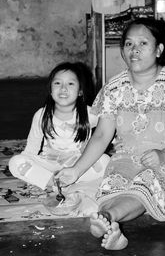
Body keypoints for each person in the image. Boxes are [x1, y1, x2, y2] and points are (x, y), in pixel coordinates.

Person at [54, 18, 165, 250]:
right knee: (113, 185)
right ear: (122, 50)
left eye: (143, 43)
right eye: (129, 44)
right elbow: (102, 135)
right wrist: (76, 170)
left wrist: (164, 154)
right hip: (128, 156)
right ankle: (109, 224)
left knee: (146, 182)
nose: (135, 50)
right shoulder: (114, 88)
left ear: (159, 49)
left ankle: (107, 219)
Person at [9, 62, 110, 205]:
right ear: (50, 89)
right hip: (49, 165)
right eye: (57, 83)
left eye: (70, 84)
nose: (63, 88)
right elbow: (31, 149)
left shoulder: (89, 114)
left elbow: (107, 130)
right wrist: (28, 166)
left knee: (105, 161)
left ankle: (66, 181)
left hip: (76, 166)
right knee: (15, 162)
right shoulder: (42, 115)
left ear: (80, 91)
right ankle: (53, 183)